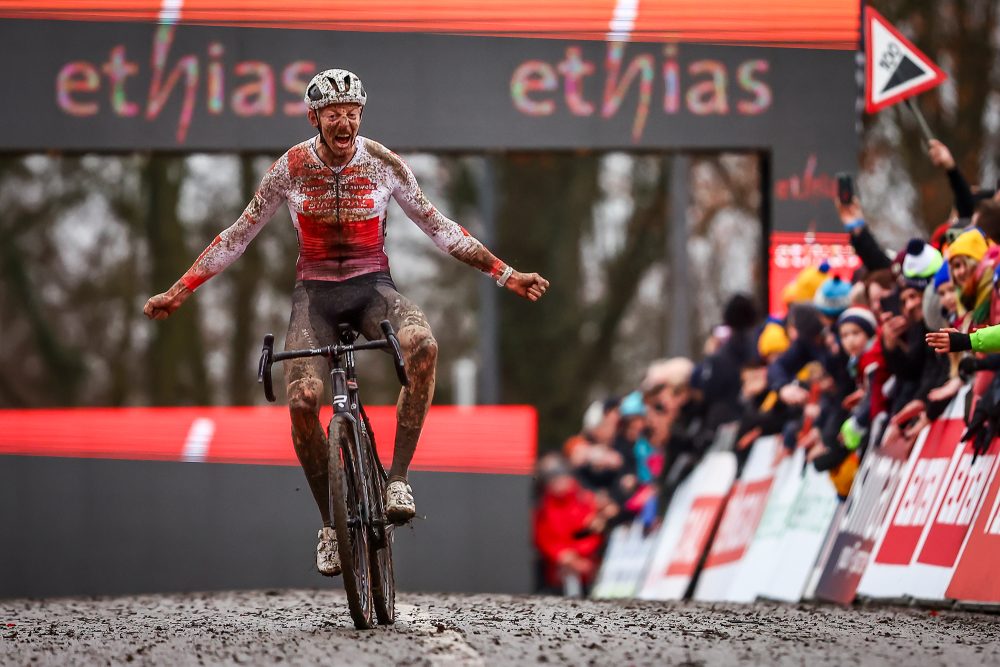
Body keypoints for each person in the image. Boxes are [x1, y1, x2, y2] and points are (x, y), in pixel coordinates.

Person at [142, 69, 550, 577]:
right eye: (334, 114)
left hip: (371, 288)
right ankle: (330, 525)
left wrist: (504, 273)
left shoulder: (382, 164)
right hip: (314, 296)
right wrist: (179, 291)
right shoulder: (290, 168)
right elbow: (236, 236)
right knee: (301, 402)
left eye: (353, 112)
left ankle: (397, 479)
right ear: (314, 118)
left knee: (423, 346)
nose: (345, 122)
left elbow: (438, 226)